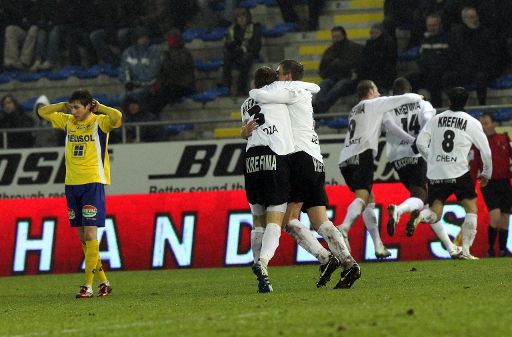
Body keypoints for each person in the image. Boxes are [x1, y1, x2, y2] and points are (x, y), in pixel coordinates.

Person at [249, 59, 361, 289]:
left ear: (288, 76)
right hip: (315, 159)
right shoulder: (302, 91)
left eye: (279, 73)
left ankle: (325, 258)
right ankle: (349, 264)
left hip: (298, 159)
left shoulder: (289, 90)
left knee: (289, 221)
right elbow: (314, 87)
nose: (276, 77)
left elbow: (259, 95)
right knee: (321, 220)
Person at [37, 89, 122, 297]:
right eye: (72, 107)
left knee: (91, 234)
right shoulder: (68, 121)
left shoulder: (99, 122)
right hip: (71, 184)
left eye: (77, 107)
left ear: (88, 107)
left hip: (92, 182)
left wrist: (99, 107)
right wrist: (63, 106)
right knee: (84, 239)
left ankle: (87, 286)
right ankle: (104, 283)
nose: (74, 111)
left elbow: (117, 117)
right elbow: (42, 112)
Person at [337, 80, 423, 259]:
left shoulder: (354, 110)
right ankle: (344, 228)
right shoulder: (373, 104)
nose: (378, 93)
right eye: (376, 89)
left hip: (345, 158)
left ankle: (378, 246)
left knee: (369, 199)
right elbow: (401, 98)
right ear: (370, 91)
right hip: (363, 153)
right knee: (362, 197)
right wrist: (418, 97)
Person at [416, 87, 492, 260]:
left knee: (435, 212)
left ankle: (419, 216)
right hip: (459, 172)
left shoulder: (436, 119)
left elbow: (420, 143)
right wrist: (486, 173)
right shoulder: (471, 122)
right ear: (466, 101)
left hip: (436, 173)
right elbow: (485, 152)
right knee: (471, 209)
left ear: (449, 101)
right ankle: (465, 250)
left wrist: (433, 159)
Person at [241, 66, 295, 293]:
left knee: (258, 219)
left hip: (251, 159)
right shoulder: (280, 100)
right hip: (274, 156)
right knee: (275, 216)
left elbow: (245, 131)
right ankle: (262, 262)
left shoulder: (245, 103)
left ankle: (261, 276)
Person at [469, 112, 512, 257]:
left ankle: (502, 249)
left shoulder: (505, 138)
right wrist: (471, 184)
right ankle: (490, 250)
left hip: (505, 182)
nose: (483, 127)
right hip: (488, 184)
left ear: (494, 124)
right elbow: (474, 165)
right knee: (495, 217)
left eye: (486, 123)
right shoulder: (478, 144)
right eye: (481, 124)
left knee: (505, 217)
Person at [442, 7, 501, 106]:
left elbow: (492, 54)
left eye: (475, 16)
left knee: (480, 77)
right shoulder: (457, 34)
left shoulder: (485, 33)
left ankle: (482, 107)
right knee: (447, 77)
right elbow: (454, 55)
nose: (474, 19)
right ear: (464, 19)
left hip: (483, 69)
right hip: (465, 69)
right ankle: (455, 106)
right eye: (471, 17)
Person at [312, 26, 363, 114]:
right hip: (332, 78)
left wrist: (339, 65)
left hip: (349, 79)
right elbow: (322, 69)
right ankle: (319, 108)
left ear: (344, 36)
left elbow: (358, 66)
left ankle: (318, 109)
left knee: (339, 86)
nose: (336, 39)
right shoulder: (329, 51)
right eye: (334, 37)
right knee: (323, 85)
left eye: (338, 36)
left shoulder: (355, 49)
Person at [407, 13, 450, 108]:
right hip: (426, 72)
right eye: (430, 26)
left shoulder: (447, 39)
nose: (432, 28)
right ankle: (414, 107)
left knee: (434, 80)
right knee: (411, 79)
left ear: (440, 25)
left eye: (434, 25)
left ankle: (437, 109)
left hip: (441, 73)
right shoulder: (424, 39)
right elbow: (421, 59)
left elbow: (447, 60)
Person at [119, 26, 162, 112]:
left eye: (145, 37)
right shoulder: (128, 53)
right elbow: (125, 70)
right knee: (122, 98)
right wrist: (128, 82)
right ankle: (130, 122)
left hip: (149, 87)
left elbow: (154, 71)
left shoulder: (154, 51)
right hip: (133, 87)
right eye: (141, 37)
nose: (144, 40)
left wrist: (142, 84)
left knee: (137, 96)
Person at [222, 7, 261, 96]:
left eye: (244, 16)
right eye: (239, 16)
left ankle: (241, 88)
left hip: (250, 53)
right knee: (227, 56)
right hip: (236, 53)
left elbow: (256, 45)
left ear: (248, 17)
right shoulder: (233, 29)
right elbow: (227, 45)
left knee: (246, 58)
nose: (241, 18)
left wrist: (244, 50)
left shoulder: (255, 28)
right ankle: (226, 86)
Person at [358, 23, 397, 94]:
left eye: (376, 33)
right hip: (371, 72)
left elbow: (389, 61)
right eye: (372, 33)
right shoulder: (369, 44)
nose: (373, 35)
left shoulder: (388, 44)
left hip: (383, 72)